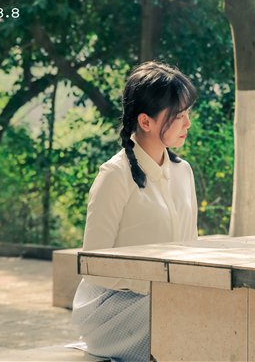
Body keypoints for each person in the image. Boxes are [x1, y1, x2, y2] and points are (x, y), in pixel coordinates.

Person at [71, 62, 199, 362]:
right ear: (146, 121)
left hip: (168, 299)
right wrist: (160, 286)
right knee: (190, 314)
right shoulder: (115, 175)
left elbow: (192, 247)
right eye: (178, 116)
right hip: (113, 309)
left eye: (187, 114)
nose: (188, 124)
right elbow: (95, 266)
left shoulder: (183, 171)